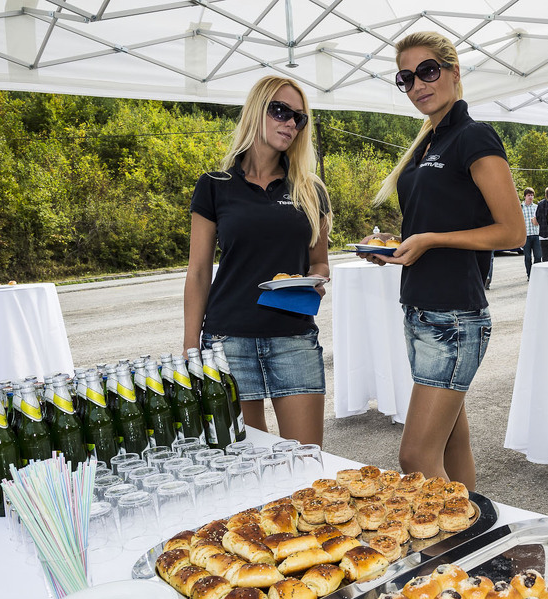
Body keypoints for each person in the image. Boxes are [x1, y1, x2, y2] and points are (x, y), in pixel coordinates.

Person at [365, 31, 523, 490]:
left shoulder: (473, 136)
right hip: (420, 308)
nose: (418, 84)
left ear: (454, 72)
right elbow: (434, 221)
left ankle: (451, 532)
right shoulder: (426, 144)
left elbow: (512, 231)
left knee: (415, 456)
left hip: (453, 315)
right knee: (452, 442)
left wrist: (431, 240)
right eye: (406, 78)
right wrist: (396, 243)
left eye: (428, 71)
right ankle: (474, 529)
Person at [184, 76, 332, 446]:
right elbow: (198, 271)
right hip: (228, 341)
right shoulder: (214, 184)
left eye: (299, 118)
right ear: (256, 110)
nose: (290, 123)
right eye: (280, 111)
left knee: (306, 460)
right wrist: (190, 349)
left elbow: (320, 262)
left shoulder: (310, 189)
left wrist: (314, 281)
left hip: (294, 338)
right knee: (246, 462)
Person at [520, 187, 541, 279]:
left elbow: (541, 220)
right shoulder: (520, 207)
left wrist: (537, 221)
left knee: (538, 256)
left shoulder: (536, 207)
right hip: (526, 236)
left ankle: (536, 275)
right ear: (525, 196)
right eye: (529, 195)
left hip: (536, 235)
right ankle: (530, 275)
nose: (530, 197)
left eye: (532, 195)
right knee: (528, 257)